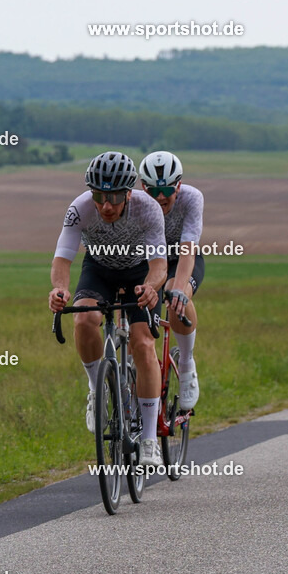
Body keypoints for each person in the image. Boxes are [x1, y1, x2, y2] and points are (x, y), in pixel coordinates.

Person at [48, 152, 167, 466]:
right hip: (98, 269)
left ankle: (149, 440)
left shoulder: (148, 209)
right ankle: (95, 389)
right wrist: (60, 289)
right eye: (99, 196)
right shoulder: (80, 209)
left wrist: (151, 288)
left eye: (114, 197)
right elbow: (62, 258)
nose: (106, 206)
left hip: (139, 273)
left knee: (142, 343)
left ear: (129, 193)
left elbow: (159, 265)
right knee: (85, 318)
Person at [138, 151, 203, 409]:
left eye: (167, 189)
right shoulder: (136, 203)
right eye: (154, 191)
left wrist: (177, 289)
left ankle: (187, 365)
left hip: (181, 258)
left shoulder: (191, 198)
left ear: (178, 185)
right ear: (143, 189)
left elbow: (188, 248)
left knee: (177, 297)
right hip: (150, 260)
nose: (161, 197)